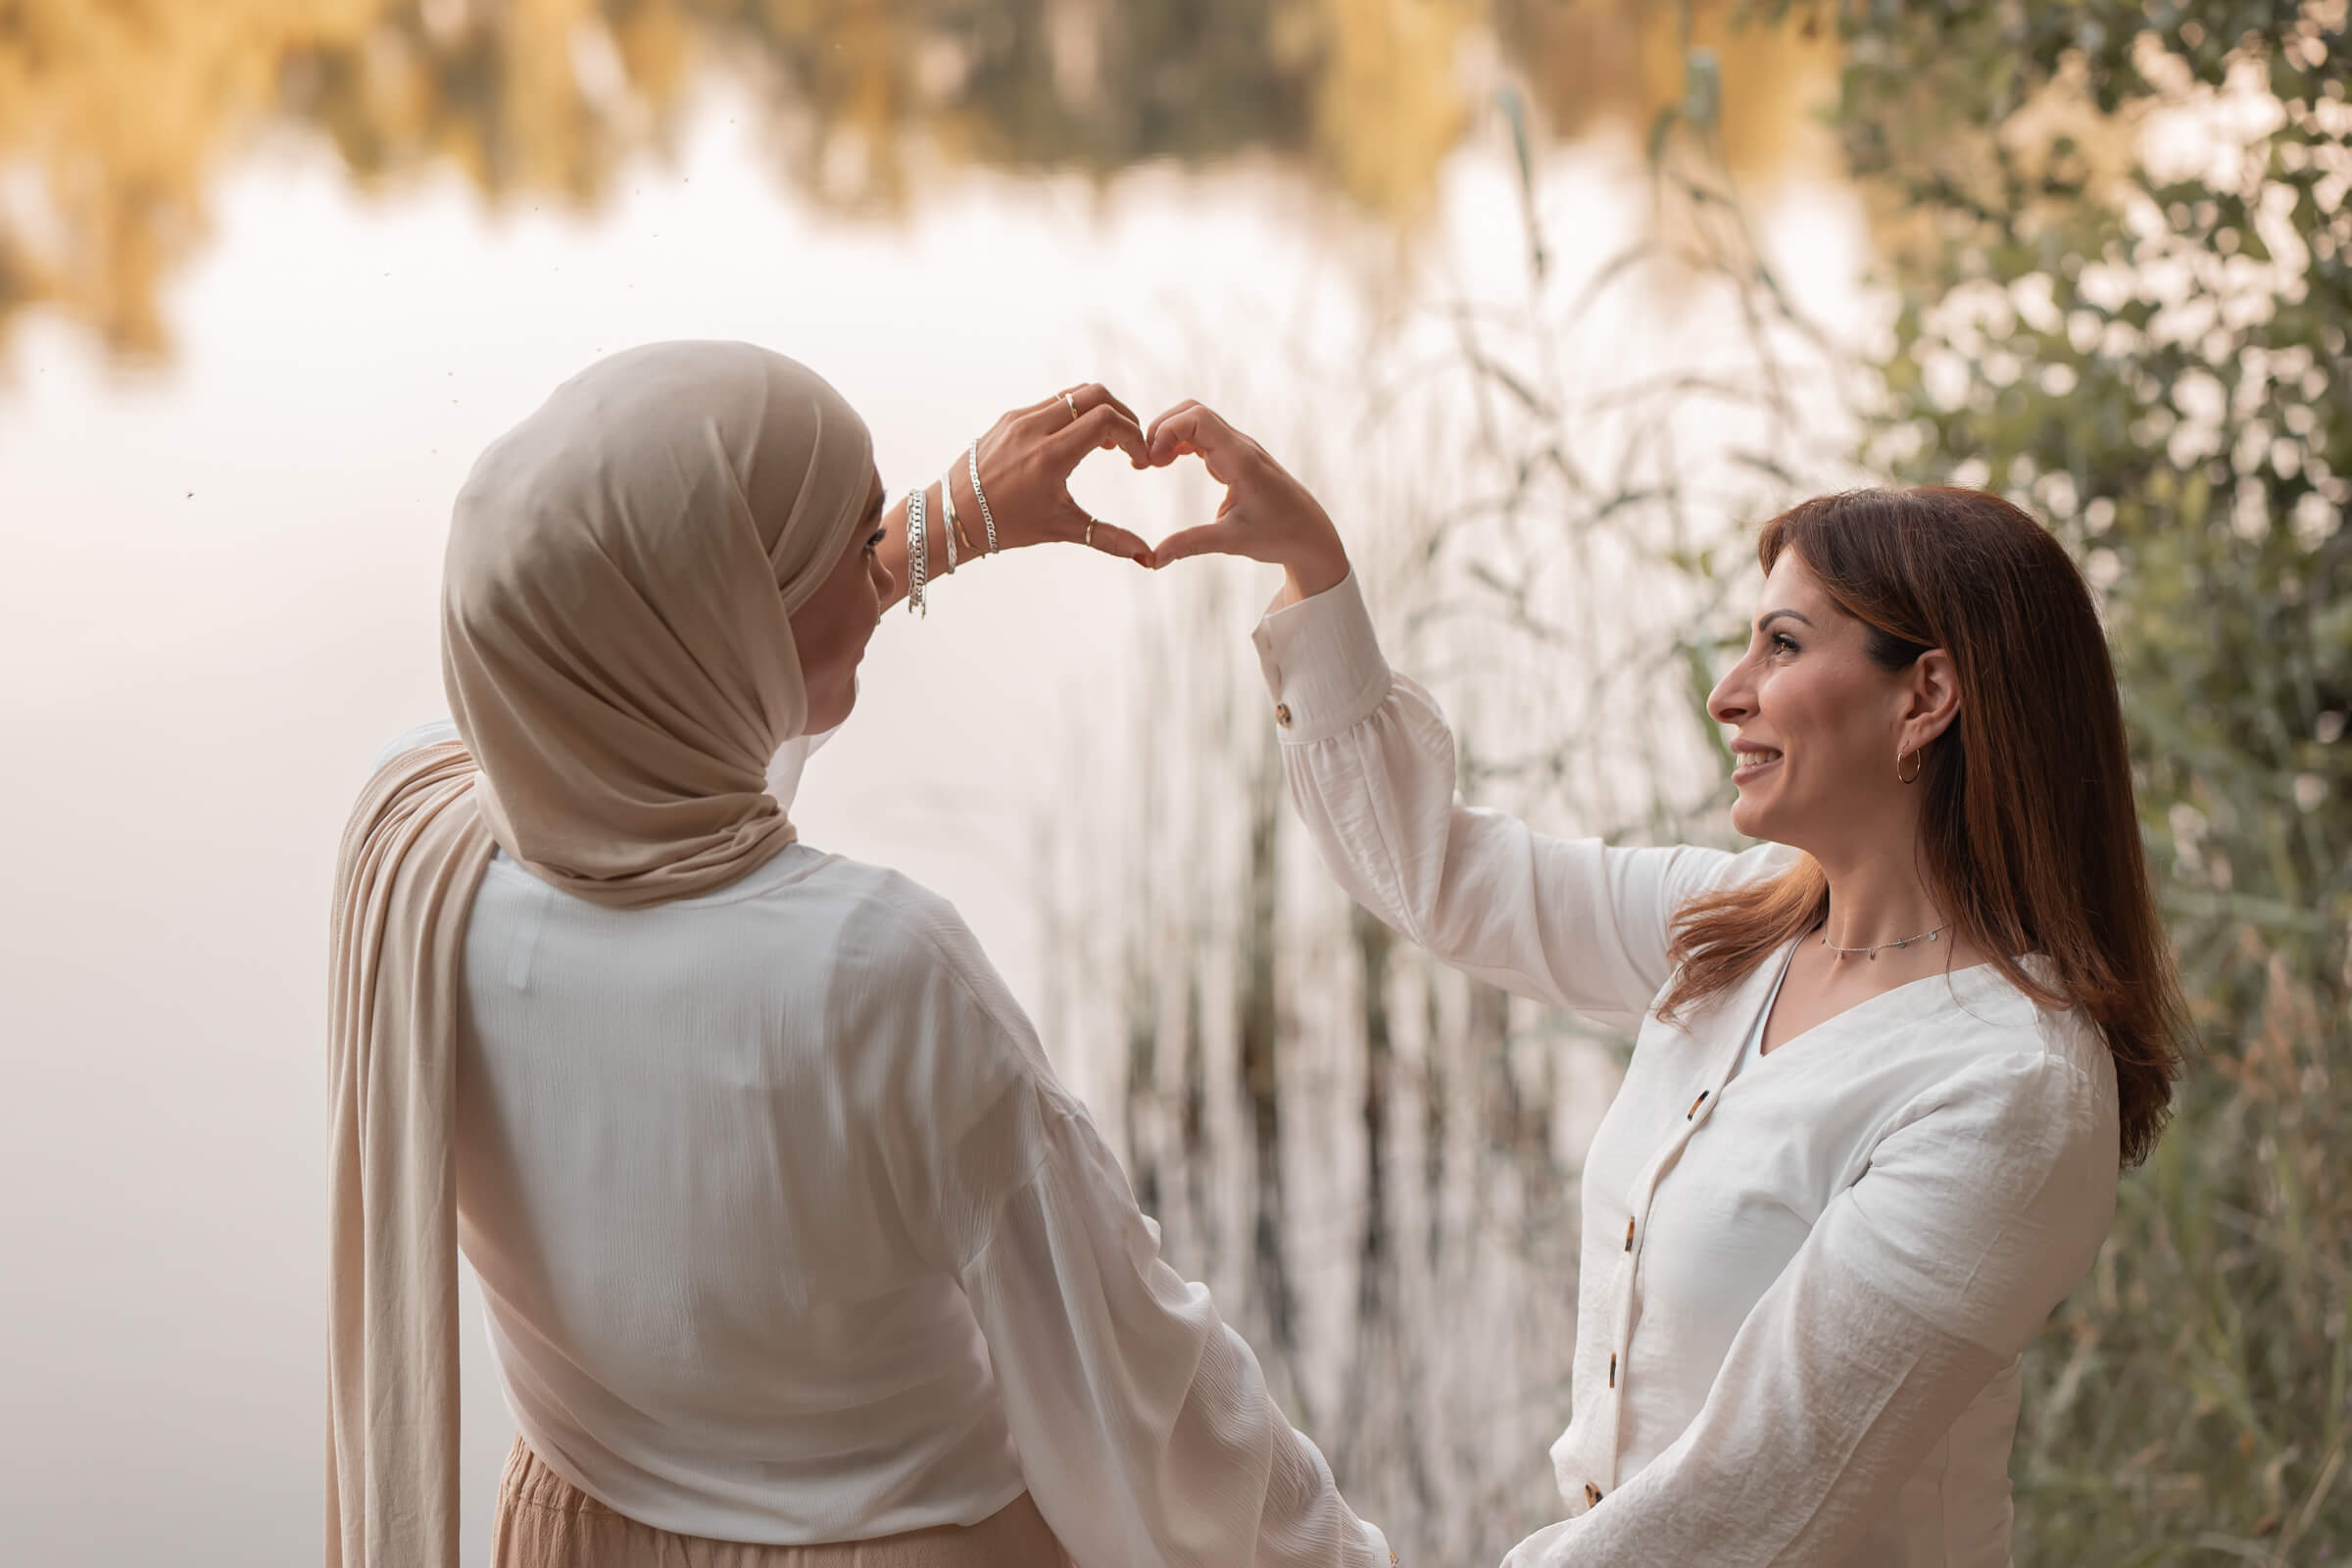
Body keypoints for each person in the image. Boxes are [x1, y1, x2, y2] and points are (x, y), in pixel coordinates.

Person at [326, 344, 1394, 1568]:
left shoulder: (413, 847)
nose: (877, 552)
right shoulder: (874, 974)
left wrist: (934, 536)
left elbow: (645, 758)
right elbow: (1146, 1390)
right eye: (854, 538)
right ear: (730, 619)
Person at [1144, 401, 2187, 1566]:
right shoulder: (1740, 929)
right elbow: (1442, 876)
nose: (1726, 692)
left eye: (1781, 645)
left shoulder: (2008, 1086)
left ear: (1926, 697)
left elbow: (1746, 1498)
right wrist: (1315, 569)